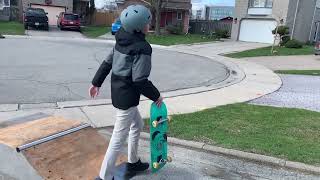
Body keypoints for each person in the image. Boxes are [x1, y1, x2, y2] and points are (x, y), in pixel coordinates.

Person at [89, 4, 163, 180]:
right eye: (148, 23)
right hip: (127, 98)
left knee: (137, 125)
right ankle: (105, 176)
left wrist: (96, 82)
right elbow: (139, 80)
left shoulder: (122, 37)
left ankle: (133, 161)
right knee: (118, 138)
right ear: (139, 27)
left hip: (118, 92)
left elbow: (108, 62)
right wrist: (156, 95)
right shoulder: (141, 48)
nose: (150, 26)